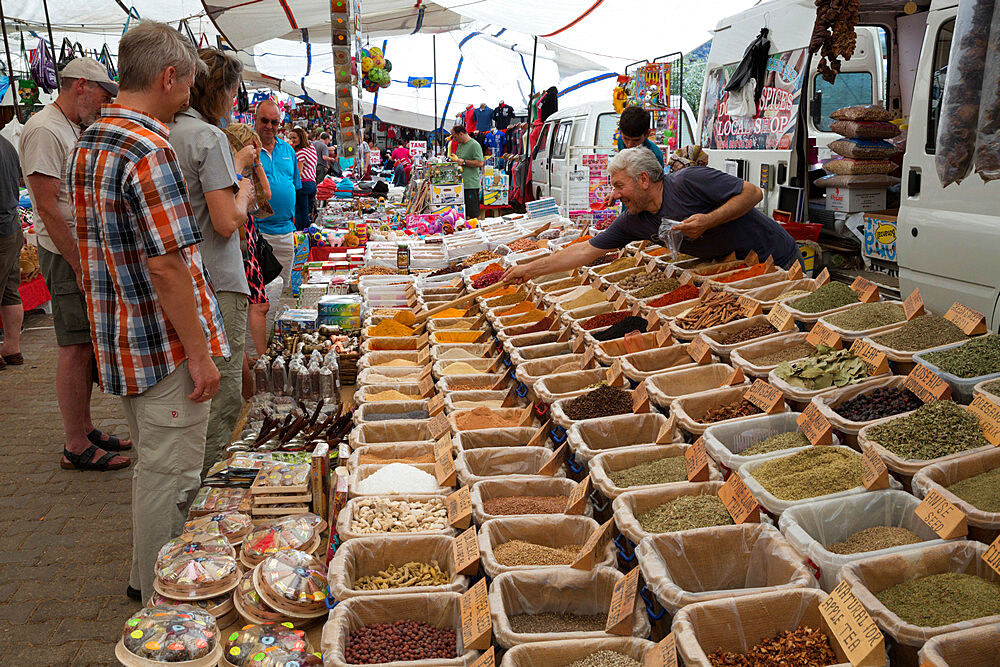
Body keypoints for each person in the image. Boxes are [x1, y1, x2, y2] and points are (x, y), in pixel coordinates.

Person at [66, 20, 229, 602]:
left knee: (154, 471)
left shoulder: (89, 141)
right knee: (173, 476)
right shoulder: (149, 149)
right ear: (167, 77)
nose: (189, 97)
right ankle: (165, 600)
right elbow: (168, 267)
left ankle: (145, 580)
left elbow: (92, 248)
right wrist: (203, 354)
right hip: (165, 349)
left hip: (123, 341)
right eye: (186, 85)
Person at [18, 58, 133, 469]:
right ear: (80, 85)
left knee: (84, 344)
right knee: (75, 346)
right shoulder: (46, 129)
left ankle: (84, 428)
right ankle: (74, 442)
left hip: (77, 251)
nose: (105, 104)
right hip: (65, 251)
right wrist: (78, 262)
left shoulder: (66, 126)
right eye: (103, 95)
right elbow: (47, 206)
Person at [503, 147, 799, 285]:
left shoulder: (689, 181)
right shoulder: (635, 219)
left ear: (644, 179)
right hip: (737, 272)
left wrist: (708, 221)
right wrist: (529, 269)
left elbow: (753, 193)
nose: (615, 195)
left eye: (619, 186)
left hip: (776, 259)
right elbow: (583, 251)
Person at [168, 47, 257, 479]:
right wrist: (243, 190)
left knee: (190, 395)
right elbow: (226, 222)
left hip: (178, 281)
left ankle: (188, 485)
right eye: (232, 91)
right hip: (217, 282)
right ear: (219, 91)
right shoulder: (208, 137)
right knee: (219, 401)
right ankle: (210, 505)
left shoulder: (164, 132)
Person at [254, 99, 301, 289]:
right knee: (261, 293)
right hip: (258, 232)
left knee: (281, 289)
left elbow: (294, 185)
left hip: (285, 232)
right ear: (255, 120)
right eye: (264, 121)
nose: (269, 126)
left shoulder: (288, 150)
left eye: (274, 123)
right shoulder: (248, 150)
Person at [0, 123, 23, 373]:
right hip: (11, 226)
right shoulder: (6, 145)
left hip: (3, 228)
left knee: (8, 292)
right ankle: (12, 347)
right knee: (9, 292)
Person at [450, 125, 484, 220]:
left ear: (461, 134)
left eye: (455, 137)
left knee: (473, 213)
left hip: (470, 184)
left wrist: (464, 162)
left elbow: (480, 163)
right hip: (461, 184)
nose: (454, 140)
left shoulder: (474, 145)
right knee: (464, 213)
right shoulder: (460, 145)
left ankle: (476, 230)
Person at [288, 127, 317, 230]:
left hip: (303, 185)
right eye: (291, 138)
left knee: (301, 213)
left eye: (294, 138)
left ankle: (302, 236)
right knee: (305, 211)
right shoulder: (311, 148)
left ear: (301, 137)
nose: (292, 140)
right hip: (312, 184)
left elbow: (299, 174)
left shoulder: (300, 153)